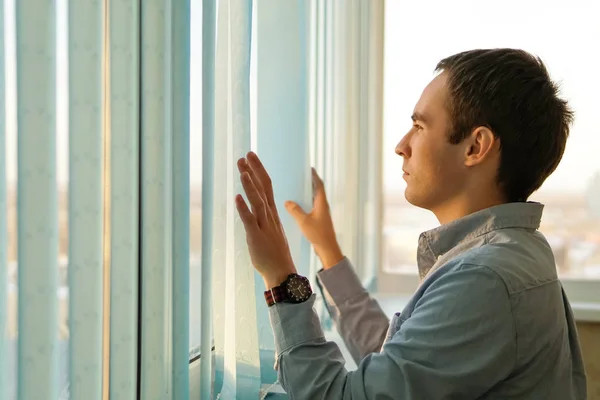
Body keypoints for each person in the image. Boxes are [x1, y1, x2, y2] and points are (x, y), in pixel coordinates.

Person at [235, 48, 587, 399]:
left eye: (419, 126)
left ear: (475, 146)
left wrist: (281, 280)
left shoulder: (484, 279)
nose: (402, 146)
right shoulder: (516, 252)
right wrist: (328, 250)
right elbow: (398, 365)